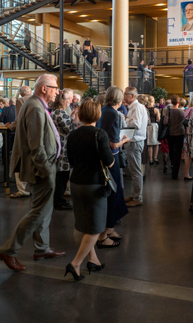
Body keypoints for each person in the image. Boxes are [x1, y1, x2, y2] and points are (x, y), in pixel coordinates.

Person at [0, 74, 63, 272]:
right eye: (55, 88)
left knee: (44, 210)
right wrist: (46, 169)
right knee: (38, 212)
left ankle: (42, 248)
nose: (57, 92)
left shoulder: (35, 104)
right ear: (44, 88)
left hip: (44, 166)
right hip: (41, 168)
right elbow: (36, 146)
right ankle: (9, 250)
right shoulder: (35, 107)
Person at [64, 99, 115, 282]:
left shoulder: (73, 135)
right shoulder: (99, 134)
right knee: (96, 228)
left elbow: (71, 160)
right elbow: (109, 162)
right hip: (95, 184)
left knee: (82, 224)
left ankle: (93, 260)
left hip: (76, 182)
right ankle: (76, 263)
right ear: (97, 115)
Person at [97, 87, 131, 249]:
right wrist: (125, 140)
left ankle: (108, 228)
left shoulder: (103, 110)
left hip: (103, 157)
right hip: (112, 157)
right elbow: (112, 143)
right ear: (120, 99)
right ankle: (107, 230)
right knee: (113, 191)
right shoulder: (113, 114)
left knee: (111, 191)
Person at [51, 89, 76, 211]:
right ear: (62, 101)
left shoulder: (57, 112)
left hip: (61, 147)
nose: (70, 101)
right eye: (68, 99)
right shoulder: (59, 113)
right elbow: (71, 129)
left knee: (62, 176)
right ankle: (59, 201)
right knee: (62, 176)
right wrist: (76, 119)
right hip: (63, 149)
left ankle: (59, 199)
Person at [6, 86, 32, 199]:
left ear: (21, 94)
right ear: (30, 92)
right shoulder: (36, 99)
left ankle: (22, 189)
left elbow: (19, 118)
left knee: (19, 160)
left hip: (24, 134)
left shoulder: (20, 100)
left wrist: (10, 126)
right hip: (35, 134)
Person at [124, 87, 148, 207]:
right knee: (134, 171)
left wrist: (125, 119)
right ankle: (135, 195)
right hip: (134, 141)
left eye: (125, 94)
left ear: (132, 96)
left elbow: (136, 124)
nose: (124, 96)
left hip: (135, 141)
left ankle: (138, 197)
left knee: (136, 171)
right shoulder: (134, 107)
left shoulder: (137, 107)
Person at [165, 95, 185, 180]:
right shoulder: (181, 112)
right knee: (178, 152)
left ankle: (172, 164)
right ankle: (175, 172)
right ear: (178, 102)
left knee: (171, 150)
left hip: (170, 133)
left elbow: (165, 122)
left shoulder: (168, 111)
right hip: (180, 132)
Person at [147, 96, 161, 165]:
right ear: (153, 101)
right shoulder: (156, 109)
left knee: (150, 144)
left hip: (147, 126)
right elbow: (158, 119)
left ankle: (150, 159)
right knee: (156, 143)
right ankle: (155, 158)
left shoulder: (145, 109)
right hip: (154, 126)